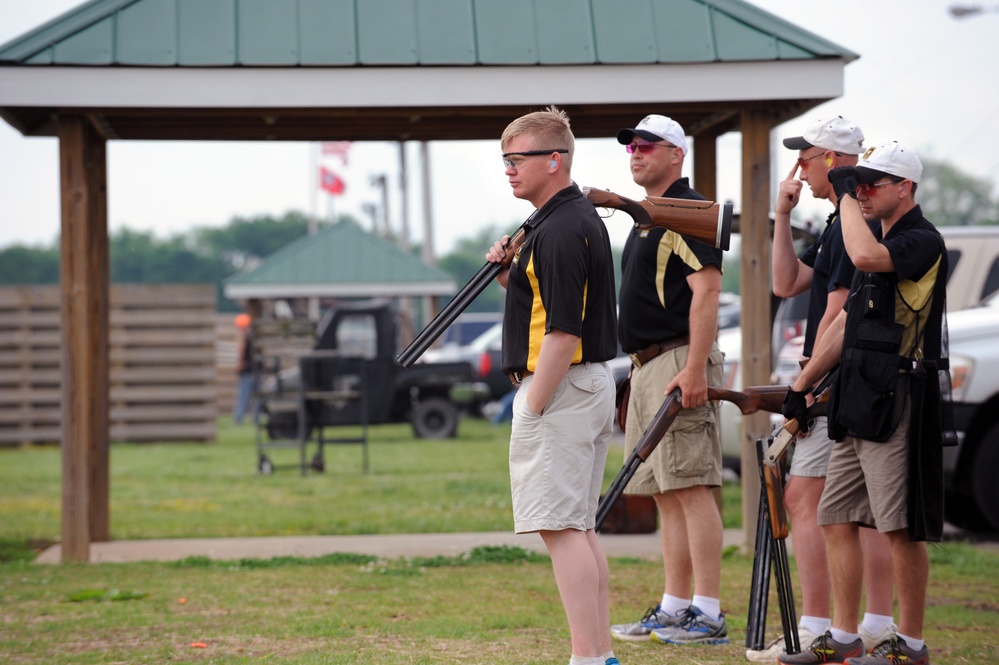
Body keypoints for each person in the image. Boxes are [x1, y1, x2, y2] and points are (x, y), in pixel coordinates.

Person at [779, 142, 951, 665]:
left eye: (876, 183)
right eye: (861, 183)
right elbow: (844, 326)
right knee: (835, 517)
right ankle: (845, 635)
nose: (865, 192)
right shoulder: (876, 237)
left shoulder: (919, 241)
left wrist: (846, 195)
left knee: (897, 526)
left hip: (898, 395)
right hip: (859, 394)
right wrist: (803, 384)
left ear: (907, 189)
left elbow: (863, 258)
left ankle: (912, 644)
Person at [748, 117, 896, 662]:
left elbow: (838, 306)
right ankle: (874, 624)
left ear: (833, 160)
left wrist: (808, 381)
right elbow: (785, 283)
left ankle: (819, 627)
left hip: (835, 381)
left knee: (809, 500)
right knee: (859, 511)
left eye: (805, 157)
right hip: (847, 379)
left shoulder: (851, 220)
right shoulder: (843, 222)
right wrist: (783, 215)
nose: (798, 169)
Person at [485, 106, 621, 665]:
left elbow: (564, 332)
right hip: (582, 385)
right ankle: (600, 653)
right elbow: (547, 309)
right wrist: (508, 274)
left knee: (561, 528)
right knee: (577, 527)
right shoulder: (565, 220)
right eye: (505, 160)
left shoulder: (562, 228)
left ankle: (587, 657)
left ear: (554, 160)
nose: (509, 170)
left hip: (560, 387)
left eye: (518, 159)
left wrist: (532, 404)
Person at [607, 115, 728, 646]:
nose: (635, 153)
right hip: (647, 366)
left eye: (647, 146)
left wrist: (696, 367)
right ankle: (677, 605)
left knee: (692, 487)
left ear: (676, 154)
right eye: (631, 146)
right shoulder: (647, 217)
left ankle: (708, 612)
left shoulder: (690, 212)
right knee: (665, 491)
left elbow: (707, 293)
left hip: (679, 359)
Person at [232, 313, 259, 424]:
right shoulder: (254, 336)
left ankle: (238, 418)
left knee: (243, 395)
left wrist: (239, 365)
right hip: (256, 370)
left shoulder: (244, 336)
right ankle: (255, 418)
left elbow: (241, 352)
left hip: (247, 370)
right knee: (257, 396)